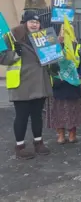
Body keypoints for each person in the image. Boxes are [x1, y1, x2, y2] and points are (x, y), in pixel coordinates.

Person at [0, 10, 52, 159]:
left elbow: (50, 56)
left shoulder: (44, 38)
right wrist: (15, 53)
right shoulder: (12, 37)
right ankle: (20, 146)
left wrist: (53, 64)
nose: (35, 25)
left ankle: (38, 142)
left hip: (39, 83)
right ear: (25, 23)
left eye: (37, 22)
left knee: (37, 115)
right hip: (21, 83)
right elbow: (2, 58)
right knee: (22, 116)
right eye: (32, 22)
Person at [45, 31, 81, 144]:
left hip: (72, 83)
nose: (63, 35)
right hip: (58, 82)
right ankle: (61, 134)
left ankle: (72, 134)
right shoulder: (51, 46)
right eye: (62, 31)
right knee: (58, 110)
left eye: (67, 31)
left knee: (72, 110)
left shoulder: (77, 45)